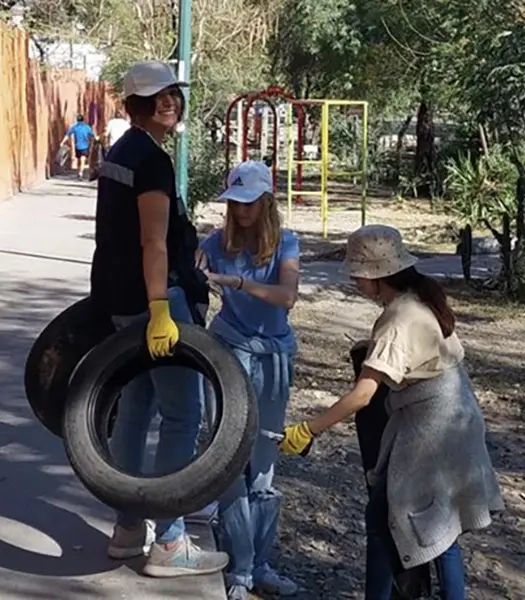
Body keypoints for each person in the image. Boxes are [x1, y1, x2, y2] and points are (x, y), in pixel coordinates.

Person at [279, 225, 504, 600]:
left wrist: (309, 429)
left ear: (376, 275)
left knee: (384, 518)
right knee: (441, 525)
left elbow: (362, 396)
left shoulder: (398, 319)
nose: (353, 279)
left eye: (357, 272)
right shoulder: (421, 298)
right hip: (458, 416)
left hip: (432, 427)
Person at [90, 59, 227, 578]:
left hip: (119, 301)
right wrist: (160, 309)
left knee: (136, 408)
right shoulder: (151, 160)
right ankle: (169, 541)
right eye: (156, 96)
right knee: (181, 416)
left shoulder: (121, 152)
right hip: (154, 301)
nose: (169, 101)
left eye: (173, 93)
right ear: (135, 105)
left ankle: (127, 527)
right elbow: (153, 241)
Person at [197, 161, 300, 599]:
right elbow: (190, 270)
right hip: (228, 352)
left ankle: (260, 565)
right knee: (229, 461)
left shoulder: (286, 243)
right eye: (235, 203)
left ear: (266, 202)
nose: (240, 211)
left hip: (273, 356)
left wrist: (236, 281)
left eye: (249, 203)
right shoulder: (215, 242)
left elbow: (287, 297)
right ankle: (239, 570)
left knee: (264, 464)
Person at [61, 114, 95, 179]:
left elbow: (67, 135)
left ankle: (80, 173)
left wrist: (62, 142)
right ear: (83, 120)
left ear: (77, 120)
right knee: (82, 160)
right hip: (85, 147)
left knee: (79, 160)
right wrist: (93, 142)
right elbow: (92, 135)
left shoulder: (74, 127)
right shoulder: (87, 127)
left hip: (77, 147)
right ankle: (80, 173)